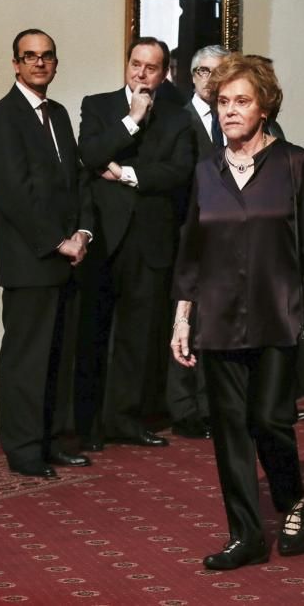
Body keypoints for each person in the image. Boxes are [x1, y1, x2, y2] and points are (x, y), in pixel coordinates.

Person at [171, 53, 304, 570]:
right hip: (216, 315)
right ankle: (246, 534)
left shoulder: (295, 164)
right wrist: (182, 316)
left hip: (277, 314)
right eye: (222, 102)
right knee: (229, 426)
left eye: (241, 102)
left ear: (265, 106)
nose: (229, 111)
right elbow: (191, 247)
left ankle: (293, 498)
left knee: (269, 420)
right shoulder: (205, 170)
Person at [0, 29, 94, 478]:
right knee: (27, 361)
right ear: (15, 64)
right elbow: (13, 195)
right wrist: (57, 241)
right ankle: (24, 450)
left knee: (60, 359)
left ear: (56, 63)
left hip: (69, 259)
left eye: (46, 56)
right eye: (30, 57)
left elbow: (79, 181)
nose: (39, 64)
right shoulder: (1, 118)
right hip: (31, 263)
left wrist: (83, 232)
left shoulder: (60, 114)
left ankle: (53, 441)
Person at [75, 37, 195, 450]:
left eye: (151, 67)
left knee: (137, 337)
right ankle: (87, 428)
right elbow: (89, 154)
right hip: (104, 238)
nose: (141, 73)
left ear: (164, 74)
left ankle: (125, 421)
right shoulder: (97, 105)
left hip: (150, 241)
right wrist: (131, 120)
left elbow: (178, 172)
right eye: (135, 64)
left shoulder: (179, 119)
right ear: (127, 65)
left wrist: (126, 174)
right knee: (93, 332)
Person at [164, 44, 232, 441]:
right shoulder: (177, 119)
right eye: (204, 72)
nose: (211, 79)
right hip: (184, 234)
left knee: (216, 322)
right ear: (192, 76)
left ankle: (213, 404)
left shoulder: (237, 116)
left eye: (220, 72)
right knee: (183, 321)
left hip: (225, 239)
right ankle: (184, 409)